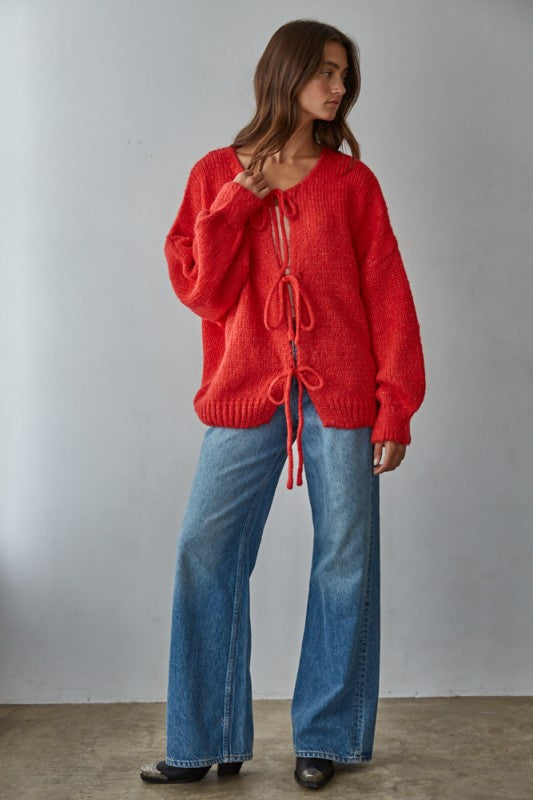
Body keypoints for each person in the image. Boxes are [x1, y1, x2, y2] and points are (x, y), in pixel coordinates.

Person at [140, 18, 426, 791]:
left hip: (344, 396)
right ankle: (204, 740)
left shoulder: (351, 184)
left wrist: (395, 405)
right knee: (205, 550)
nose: (339, 87)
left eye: (344, 75)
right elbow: (201, 292)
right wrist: (236, 203)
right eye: (325, 71)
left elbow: (388, 296)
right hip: (245, 392)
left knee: (343, 559)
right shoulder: (214, 174)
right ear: (285, 73)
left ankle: (325, 737)